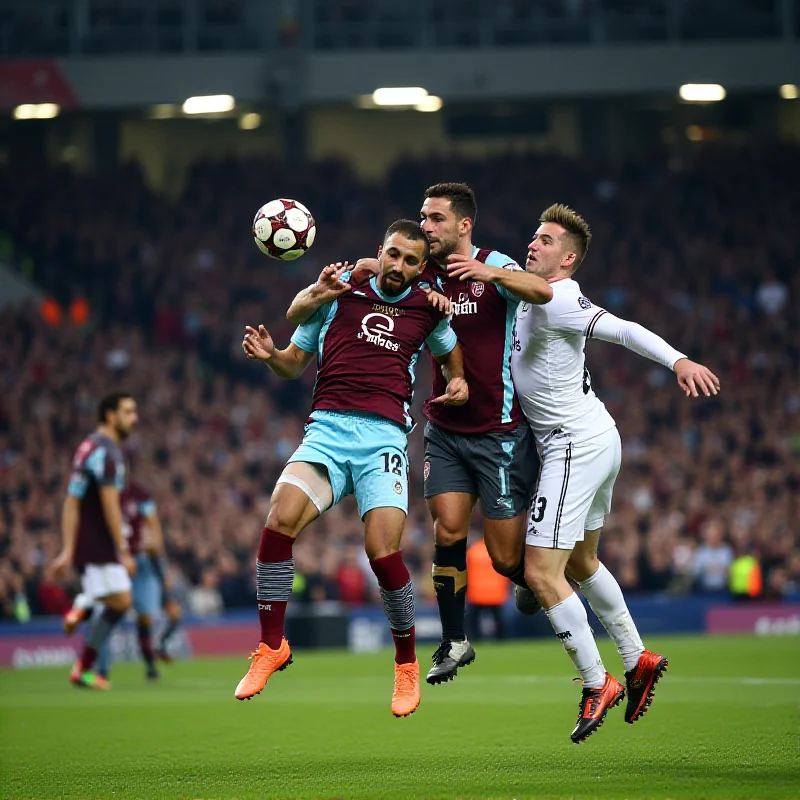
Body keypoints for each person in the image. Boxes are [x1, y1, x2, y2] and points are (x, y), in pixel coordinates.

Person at [290, 183, 553, 686]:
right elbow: (387, 264)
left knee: (502, 558)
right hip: (444, 427)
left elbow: (542, 290)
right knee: (448, 530)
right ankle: (454, 641)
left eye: (434, 219)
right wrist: (361, 266)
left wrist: (489, 273)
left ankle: (526, 578)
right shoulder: (420, 271)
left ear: (463, 225)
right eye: (422, 218)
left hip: (497, 428)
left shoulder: (493, 264)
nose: (426, 227)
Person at [235, 219, 468, 717]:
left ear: (420, 267)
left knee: (382, 552)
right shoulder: (341, 290)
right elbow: (295, 360)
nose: (398, 266)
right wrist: (272, 354)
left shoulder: (429, 310)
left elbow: (452, 356)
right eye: (392, 254)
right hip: (327, 430)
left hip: (384, 437)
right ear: (378, 250)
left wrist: (460, 380)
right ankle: (272, 645)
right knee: (279, 518)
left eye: (410, 260)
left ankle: (405, 665)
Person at [510, 203, 720, 743]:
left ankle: (594, 679)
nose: (534, 244)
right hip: (597, 436)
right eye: (534, 236)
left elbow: (622, 330)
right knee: (580, 561)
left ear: (569, 258)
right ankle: (636, 657)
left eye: (547, 240)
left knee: (541, 572)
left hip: (573, 445)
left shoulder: (561, 297)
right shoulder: (532, 291)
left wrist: (677, 360)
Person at [51, 391, 139, 690]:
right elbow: (110, 505)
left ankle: (83, 663)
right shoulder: (109, 454)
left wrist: (67, 548)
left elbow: (71, 501)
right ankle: (82, 607)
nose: (134, 419)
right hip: (100, 541)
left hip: (86, 541)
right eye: (128, 412)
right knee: (120, 599)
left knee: (121, 600)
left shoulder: (86, 447)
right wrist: (123, 549)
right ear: (110, 415)